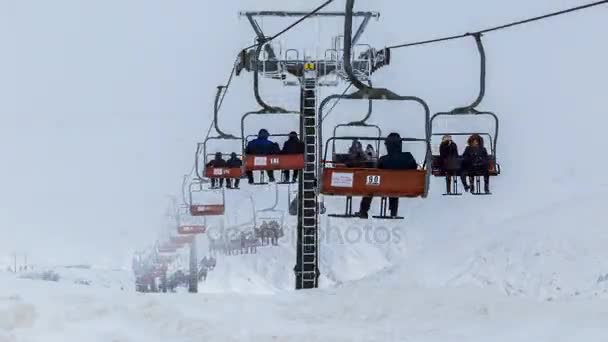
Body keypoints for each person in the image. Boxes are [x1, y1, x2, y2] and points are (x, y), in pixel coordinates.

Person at [358, 133, 418, 219]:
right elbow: (414, 168)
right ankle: (393, 212)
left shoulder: (383, 159)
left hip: (385, 186)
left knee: (372, 187)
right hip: (403, 186)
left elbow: (376, 172)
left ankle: (363, 210)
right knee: (395, 185)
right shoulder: (408, 157)